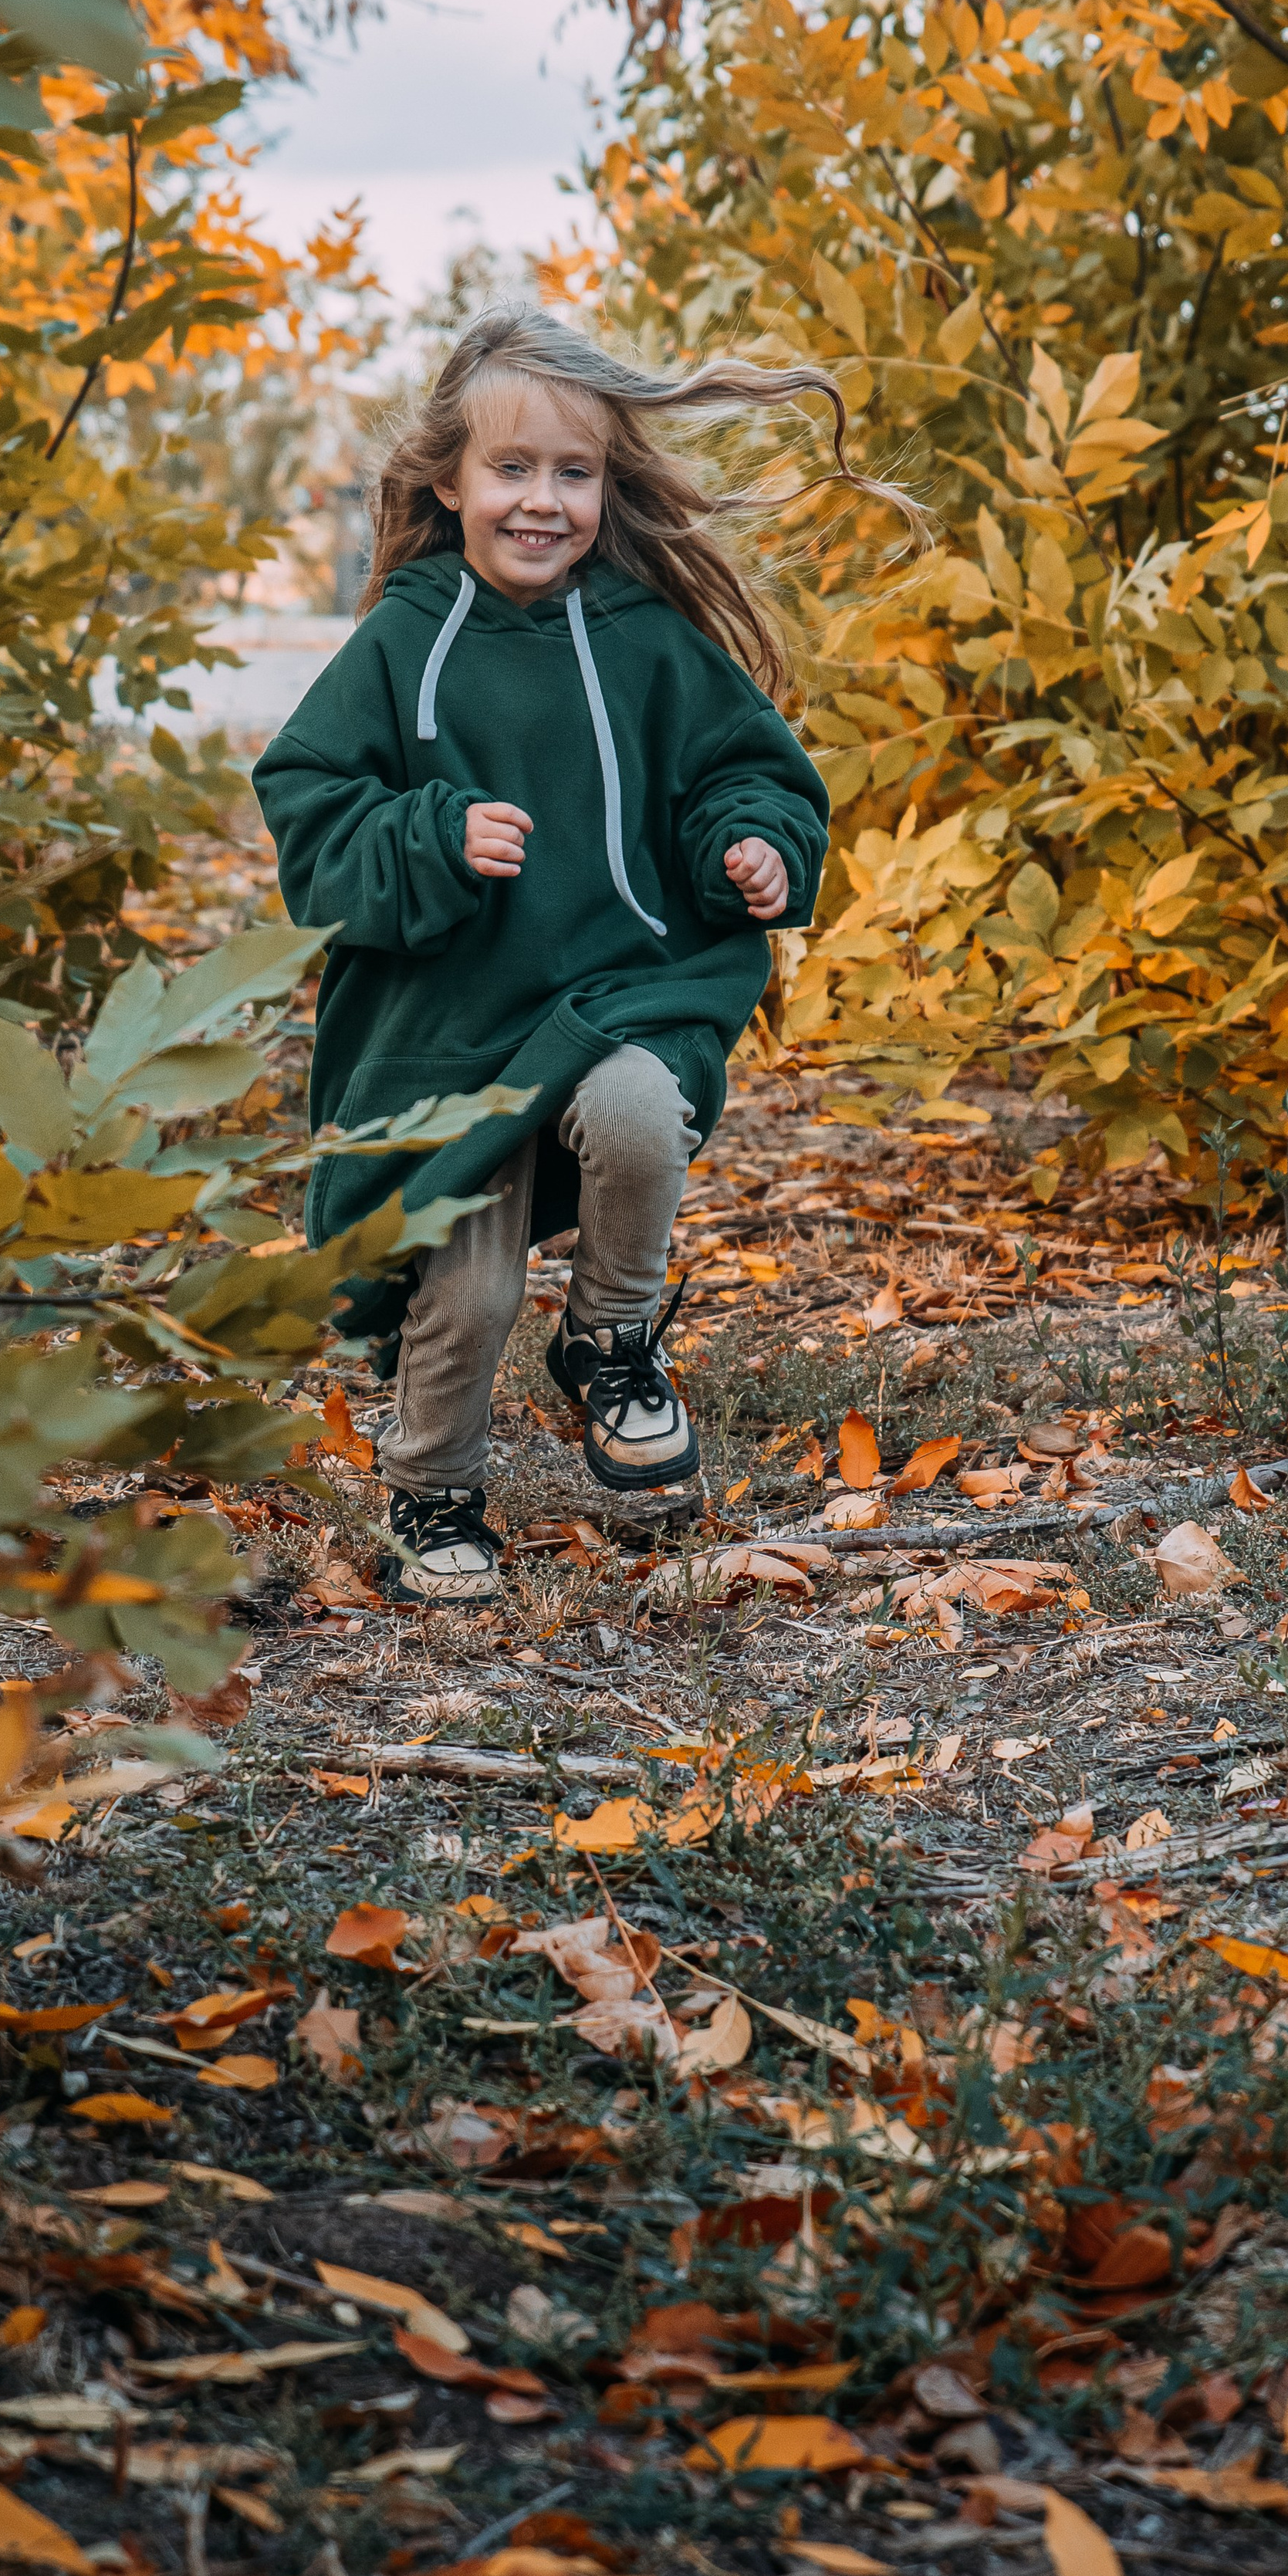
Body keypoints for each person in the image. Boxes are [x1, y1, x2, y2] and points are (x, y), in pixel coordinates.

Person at [253, 304, 920, 1607]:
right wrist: (431, 836)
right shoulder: (405, 638)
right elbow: (311, 816)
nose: (543, 501)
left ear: (610, 487)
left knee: (635, 1112)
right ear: (448, 480)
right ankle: (433, 1492)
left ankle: (613, 1339)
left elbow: (742, 770)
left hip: (625, 987)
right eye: (512, 469)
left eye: (575, 471)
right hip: (451, 1024)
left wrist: (755, 842)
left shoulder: (642, 636)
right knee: (472, 1281)